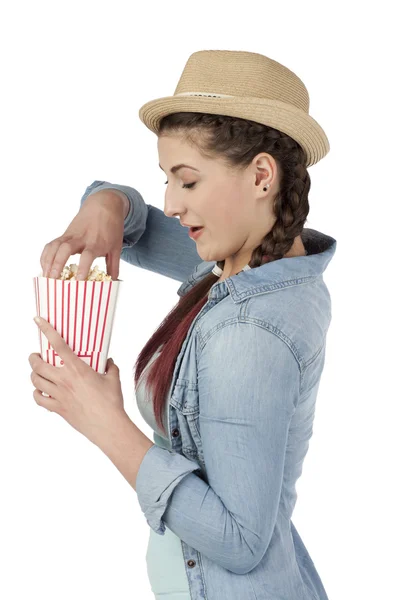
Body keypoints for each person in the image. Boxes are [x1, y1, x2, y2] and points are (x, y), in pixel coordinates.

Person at [41, 50, 336, 600]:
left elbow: (239, 540)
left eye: (188, 182)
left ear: (262, 175)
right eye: (166, 180)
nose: (171, 204)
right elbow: (141, 228)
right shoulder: (257, 264)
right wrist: (106, 203)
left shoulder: (251, 330)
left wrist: (103, 421)